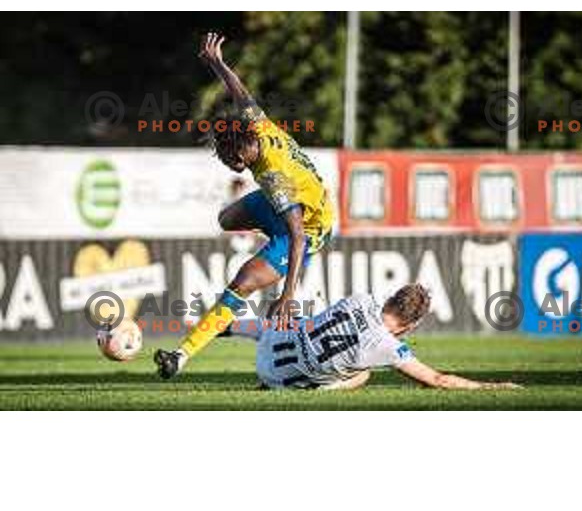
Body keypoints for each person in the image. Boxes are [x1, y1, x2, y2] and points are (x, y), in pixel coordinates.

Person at [155, 32, 334, 379]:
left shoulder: (273, 175)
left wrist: (287, 294)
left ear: (240, 154)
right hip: (282, 206)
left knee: (243, 282)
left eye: (226, 158)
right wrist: (219, 65)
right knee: (227, 218)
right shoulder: (255, 125)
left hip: (310, 226)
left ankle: (182, 355)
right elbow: (240, 93)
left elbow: (298, 236)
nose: (226, 163)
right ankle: (264, 242)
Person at [222, 284, 521, 391]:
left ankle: (220, 327)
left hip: (270, 345)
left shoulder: (360, 299)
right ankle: (315, 388)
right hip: (281, 381)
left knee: (294, 323)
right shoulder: (389, 348)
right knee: (362, 375)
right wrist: (491, 386)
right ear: (411, 325)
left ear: (390, 298)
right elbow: (438, 380)